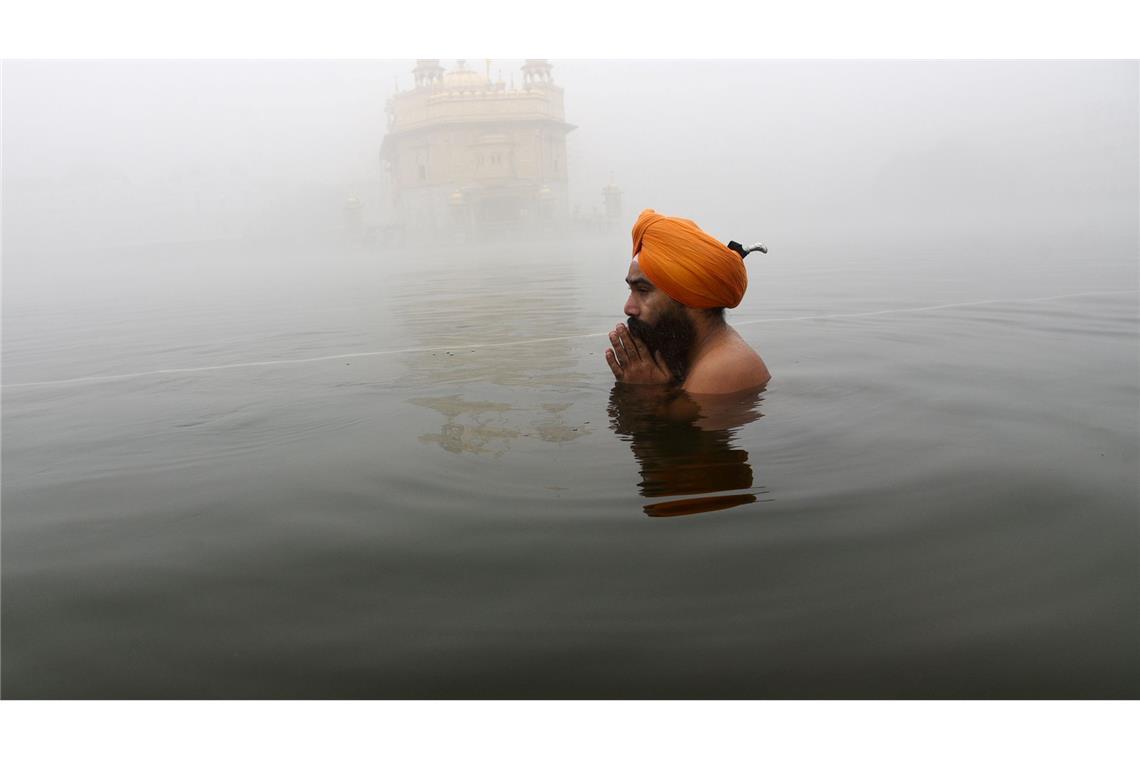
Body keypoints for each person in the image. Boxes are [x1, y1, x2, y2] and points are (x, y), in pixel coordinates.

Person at [604, 209, 772, 395]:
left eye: (643, 290)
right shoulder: (701, 351)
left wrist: (645, 393)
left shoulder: (718, 373)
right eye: (631, 290)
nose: (628, 308)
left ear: (689, 296)